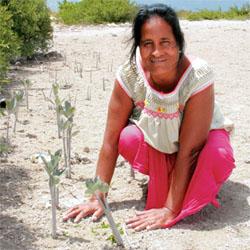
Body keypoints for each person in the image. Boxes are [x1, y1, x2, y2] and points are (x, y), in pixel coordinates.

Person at [63, 4, 235, 231]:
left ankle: (196, 183)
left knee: (217, 156)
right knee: (128, 137)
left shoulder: (198, 75)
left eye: (165, 42)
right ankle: (170, 179)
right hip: (161, 141)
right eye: (147, 44)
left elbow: (190, 149)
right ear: (139, 47)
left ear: (179, 43)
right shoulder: (130, 74)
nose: (157, 52)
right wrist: (97, 197)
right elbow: (110, 140)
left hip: (200, 143)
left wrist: (169, 210)